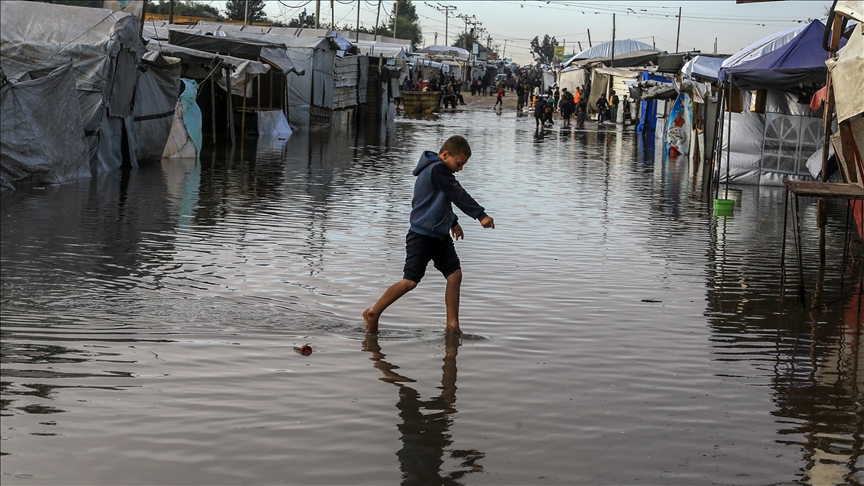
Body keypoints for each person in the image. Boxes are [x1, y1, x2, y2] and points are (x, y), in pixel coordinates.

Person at [363, 136, 495, 335]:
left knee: (455, 275)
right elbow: (457, 193)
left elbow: (441, 201)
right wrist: (480, 215)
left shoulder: (438, 170)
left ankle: (452, 325)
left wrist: (453, 222)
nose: (460, 169)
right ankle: (374, 312)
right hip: (421, 236)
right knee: (410, 281)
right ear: (445, 155)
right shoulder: (437, 169)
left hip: (439, 237)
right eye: (459, 163)